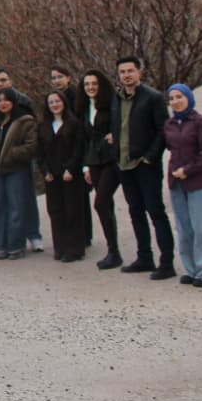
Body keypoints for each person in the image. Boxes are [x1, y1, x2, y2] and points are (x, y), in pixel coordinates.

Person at [109, 56, 176, 280]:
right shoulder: (116, 98)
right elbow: (117, 126)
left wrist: (151, 157)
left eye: (130, 70)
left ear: (140, 72)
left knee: (155, 211)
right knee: (135, 211)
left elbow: (162, 129)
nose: (126, 75)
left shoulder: (153, 97)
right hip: (124, 164)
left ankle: (167, 263)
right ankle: (144, 257)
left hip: (144, 164)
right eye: (122, 72)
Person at [164, 84, 202, 287]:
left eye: (179, 96)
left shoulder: (201, 122)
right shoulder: (170, 123)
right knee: (184, 228)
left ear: (189, 98)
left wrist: (188, 170)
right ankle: (192, 269)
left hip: (201, 182)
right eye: (171, 98)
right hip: (177, 183)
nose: (175, 101)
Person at [0, 88, 38, 260]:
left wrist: (11, 154)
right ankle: (0, 245)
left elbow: (31, 145)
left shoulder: (25, 121)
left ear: (13, 102)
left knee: (16, 208)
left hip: (16, 170)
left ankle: (16, 245)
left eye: (6, 100)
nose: (3, 103)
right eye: (0, 100)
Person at [38, 90, 87, 262]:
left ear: (64, 102)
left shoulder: (74, 123)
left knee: (73, 211)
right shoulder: (43, 126)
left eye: (57, 101)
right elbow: (40, 153)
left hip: (70, 175)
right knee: (56, 211)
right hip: (52, 175)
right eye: (51, 102)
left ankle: (75, 249)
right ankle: (60, 247)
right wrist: (45, 171)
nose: (54, 105)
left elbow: (79, 149)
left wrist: (71, 169)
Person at [79, 70, 121, 269]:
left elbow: (120, 125)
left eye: (94, 83)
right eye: (87, 84)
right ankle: (114, 251)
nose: (90, 87)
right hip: (94, 160)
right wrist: (86, 166)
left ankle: (113, 251)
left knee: (101, 203)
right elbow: (86, 139)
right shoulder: (85, 106)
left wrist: (116, 135)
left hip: (111, 160)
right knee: (106, 206)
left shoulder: (112, 103)